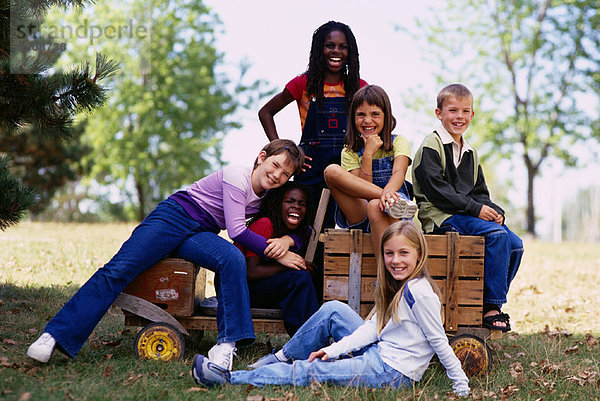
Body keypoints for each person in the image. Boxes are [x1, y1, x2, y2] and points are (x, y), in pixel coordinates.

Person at [27, 139, 306, 370]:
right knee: (119, 269)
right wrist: (279, 256)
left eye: (285, 174)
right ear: (261, 157)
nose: (277, 175)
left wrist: (288, 240)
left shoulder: (267, 197)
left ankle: (225, 345)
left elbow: (289, 225)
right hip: (174, 217)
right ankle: (54, 335)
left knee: (231, 259)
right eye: (275, 165)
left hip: (200, 233)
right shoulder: (237, 176)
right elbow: (236, 231)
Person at [191, 221, 470, 396]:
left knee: (312, 371)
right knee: (334, 310)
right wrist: (332, 350)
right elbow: (373, 329)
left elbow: (439, 342)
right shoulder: (396, 285)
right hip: (381, 351)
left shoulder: (420, 292)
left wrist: (462, 386)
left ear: (419, 254)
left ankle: (229, 378)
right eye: (389, 253)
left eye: (404, 253)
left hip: (392, 373)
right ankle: (280, 358)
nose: (395, 261)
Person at [411, 83, 523, 332]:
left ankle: (483, 303)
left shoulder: (470, 152)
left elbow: (479, 193)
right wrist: (476, 210)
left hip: (464, 214)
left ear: (472, 115)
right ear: (439, 113)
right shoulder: (432, 145)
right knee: (495, 236)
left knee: (515, 245)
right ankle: (492, 307)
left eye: (465, 111)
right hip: (440, 216)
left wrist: (494, 211)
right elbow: (436, 191)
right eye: (452, 110)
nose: (459, 117)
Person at [258, 21, 368, 228]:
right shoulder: (302, 83)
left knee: (345, 227)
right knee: (308, 227)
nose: (336, 51)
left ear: (350, 51)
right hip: (309, 168)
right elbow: (265, 112)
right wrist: (287, 151)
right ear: (319, 49)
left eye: (342, 46)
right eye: (330, 45)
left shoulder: (359, 87)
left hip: (348, 167)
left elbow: (381, 118)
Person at [323, 85, 417, 257]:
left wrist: (388, 194)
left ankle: (383, 277)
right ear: (353, 118)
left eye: (375, 114)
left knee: (376, 205)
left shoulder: (398, 142)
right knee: (331, 171)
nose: (367, 120)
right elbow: (362, 191)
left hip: (393, 213)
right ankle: (390, 200)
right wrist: (367, 154)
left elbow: (399, 173)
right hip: (362, 211)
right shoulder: (349, 151)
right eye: (361, 114)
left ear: (386, 116)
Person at [235, 181, 319, 336]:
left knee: (307, 274)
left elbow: (302, 235)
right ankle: (305, 338)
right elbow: (251, 272)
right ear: (278, 204)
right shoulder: (265, 224)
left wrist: (295, 260)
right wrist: (288, 265)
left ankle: (314, 332)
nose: (296, 207)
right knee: (298, 278)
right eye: (290, 201)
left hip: (258, 287)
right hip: (240, 290)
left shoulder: (300, 230)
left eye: (302, 204)